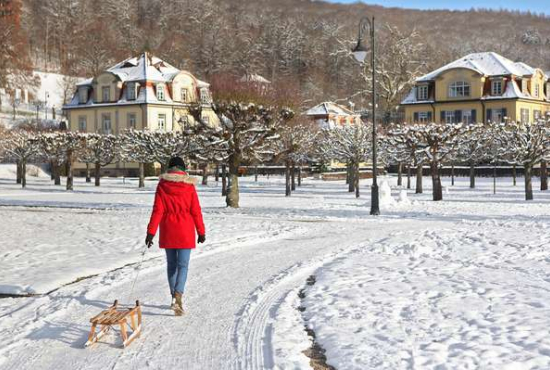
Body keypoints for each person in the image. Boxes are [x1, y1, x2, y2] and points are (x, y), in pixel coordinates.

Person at [145, 157, 206, 316]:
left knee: (171, 265)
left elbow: (157, 210)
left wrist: (151, 232)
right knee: (183, 265)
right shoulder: (189, 186)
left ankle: (174, 297)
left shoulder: (162, 185)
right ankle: (178, 295)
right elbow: (195, 210)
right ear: (183, 169)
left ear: (170, 168)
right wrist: (201, 231)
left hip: (168, 230)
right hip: (185, 230)